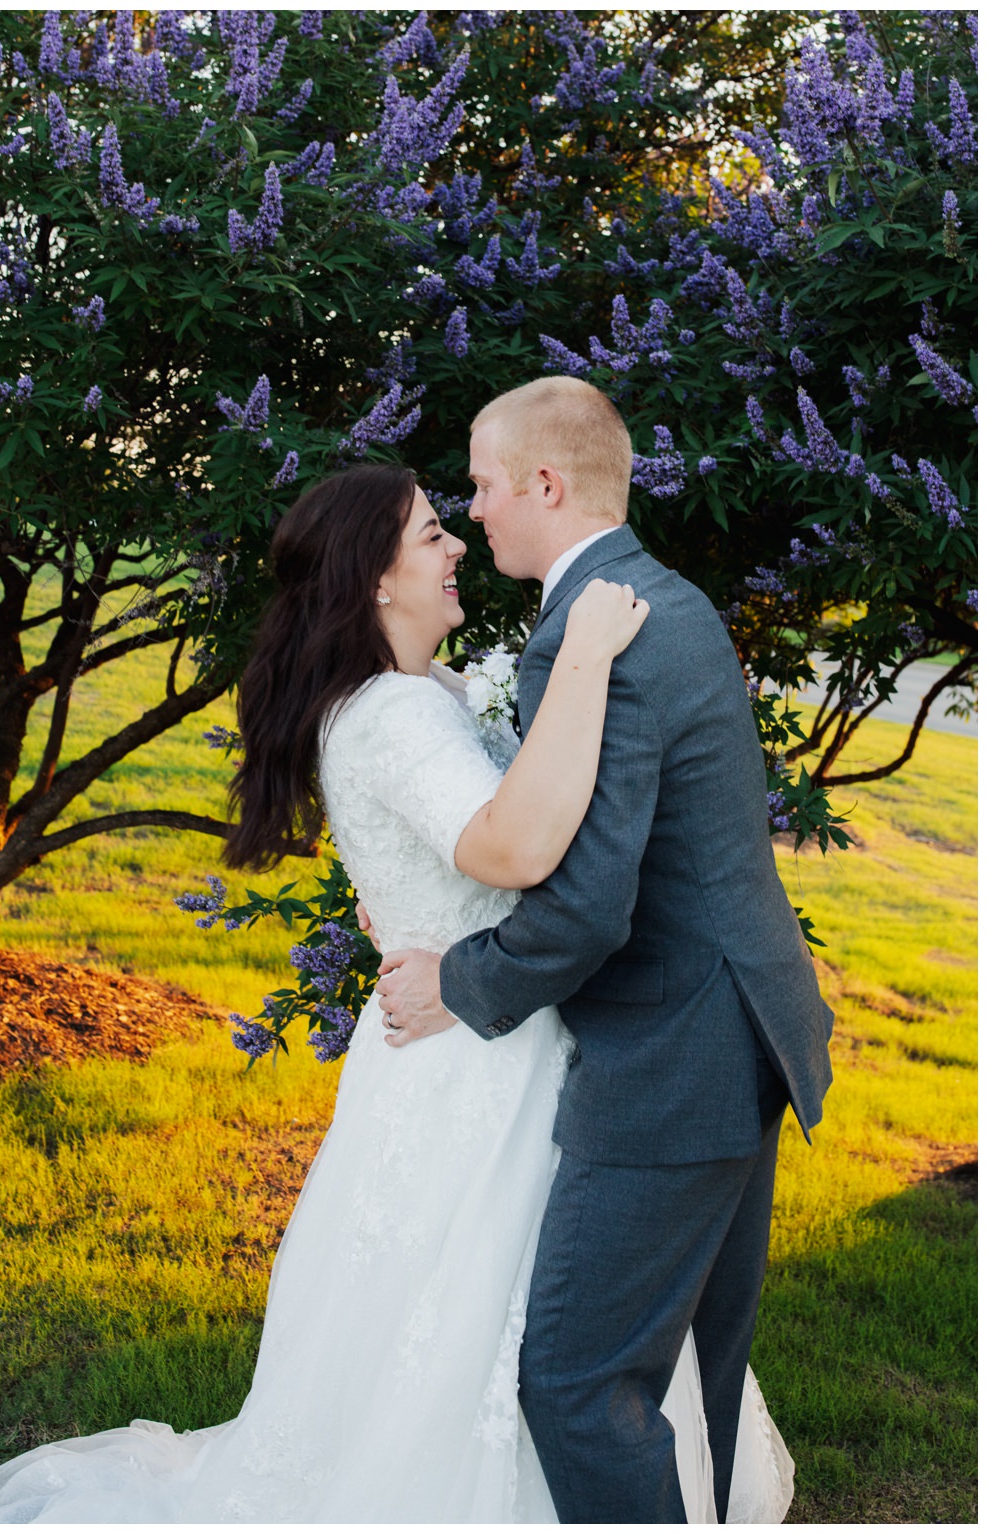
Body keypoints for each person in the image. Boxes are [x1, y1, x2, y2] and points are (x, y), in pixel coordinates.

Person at [0, 403, 806, 1521]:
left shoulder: (446, 693)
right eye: (428, 529)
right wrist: (580, 667)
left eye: (466, 497)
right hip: (472, 1058)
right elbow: (512, 847)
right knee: (492, 1335)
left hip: (510, 1036)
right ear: (372, 578)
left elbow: (528, 847)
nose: (458, 531)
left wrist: (457, 952)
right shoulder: (401, 712)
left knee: (534, 1337)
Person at [375, 377, 832, 1521]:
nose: (472, 512)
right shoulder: (662, 598)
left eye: (480, 485)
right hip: (740, 1029)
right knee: (694, 1372)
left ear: (544, 482)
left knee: (580, 1381)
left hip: (671, 1060)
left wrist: (457, 983)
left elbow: (586, 907)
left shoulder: (592, 634)